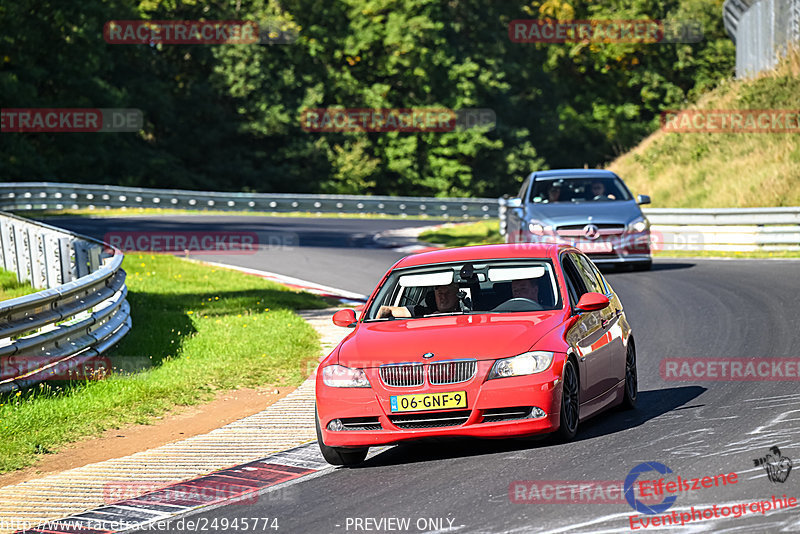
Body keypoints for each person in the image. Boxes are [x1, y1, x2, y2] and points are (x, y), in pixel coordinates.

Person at [377, 283, 460, 318]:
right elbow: (385, 310)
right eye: (440, 294)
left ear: (457, 295)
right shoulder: (422, 312)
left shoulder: (468, 315)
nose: (443, 297)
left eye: (447, 293)